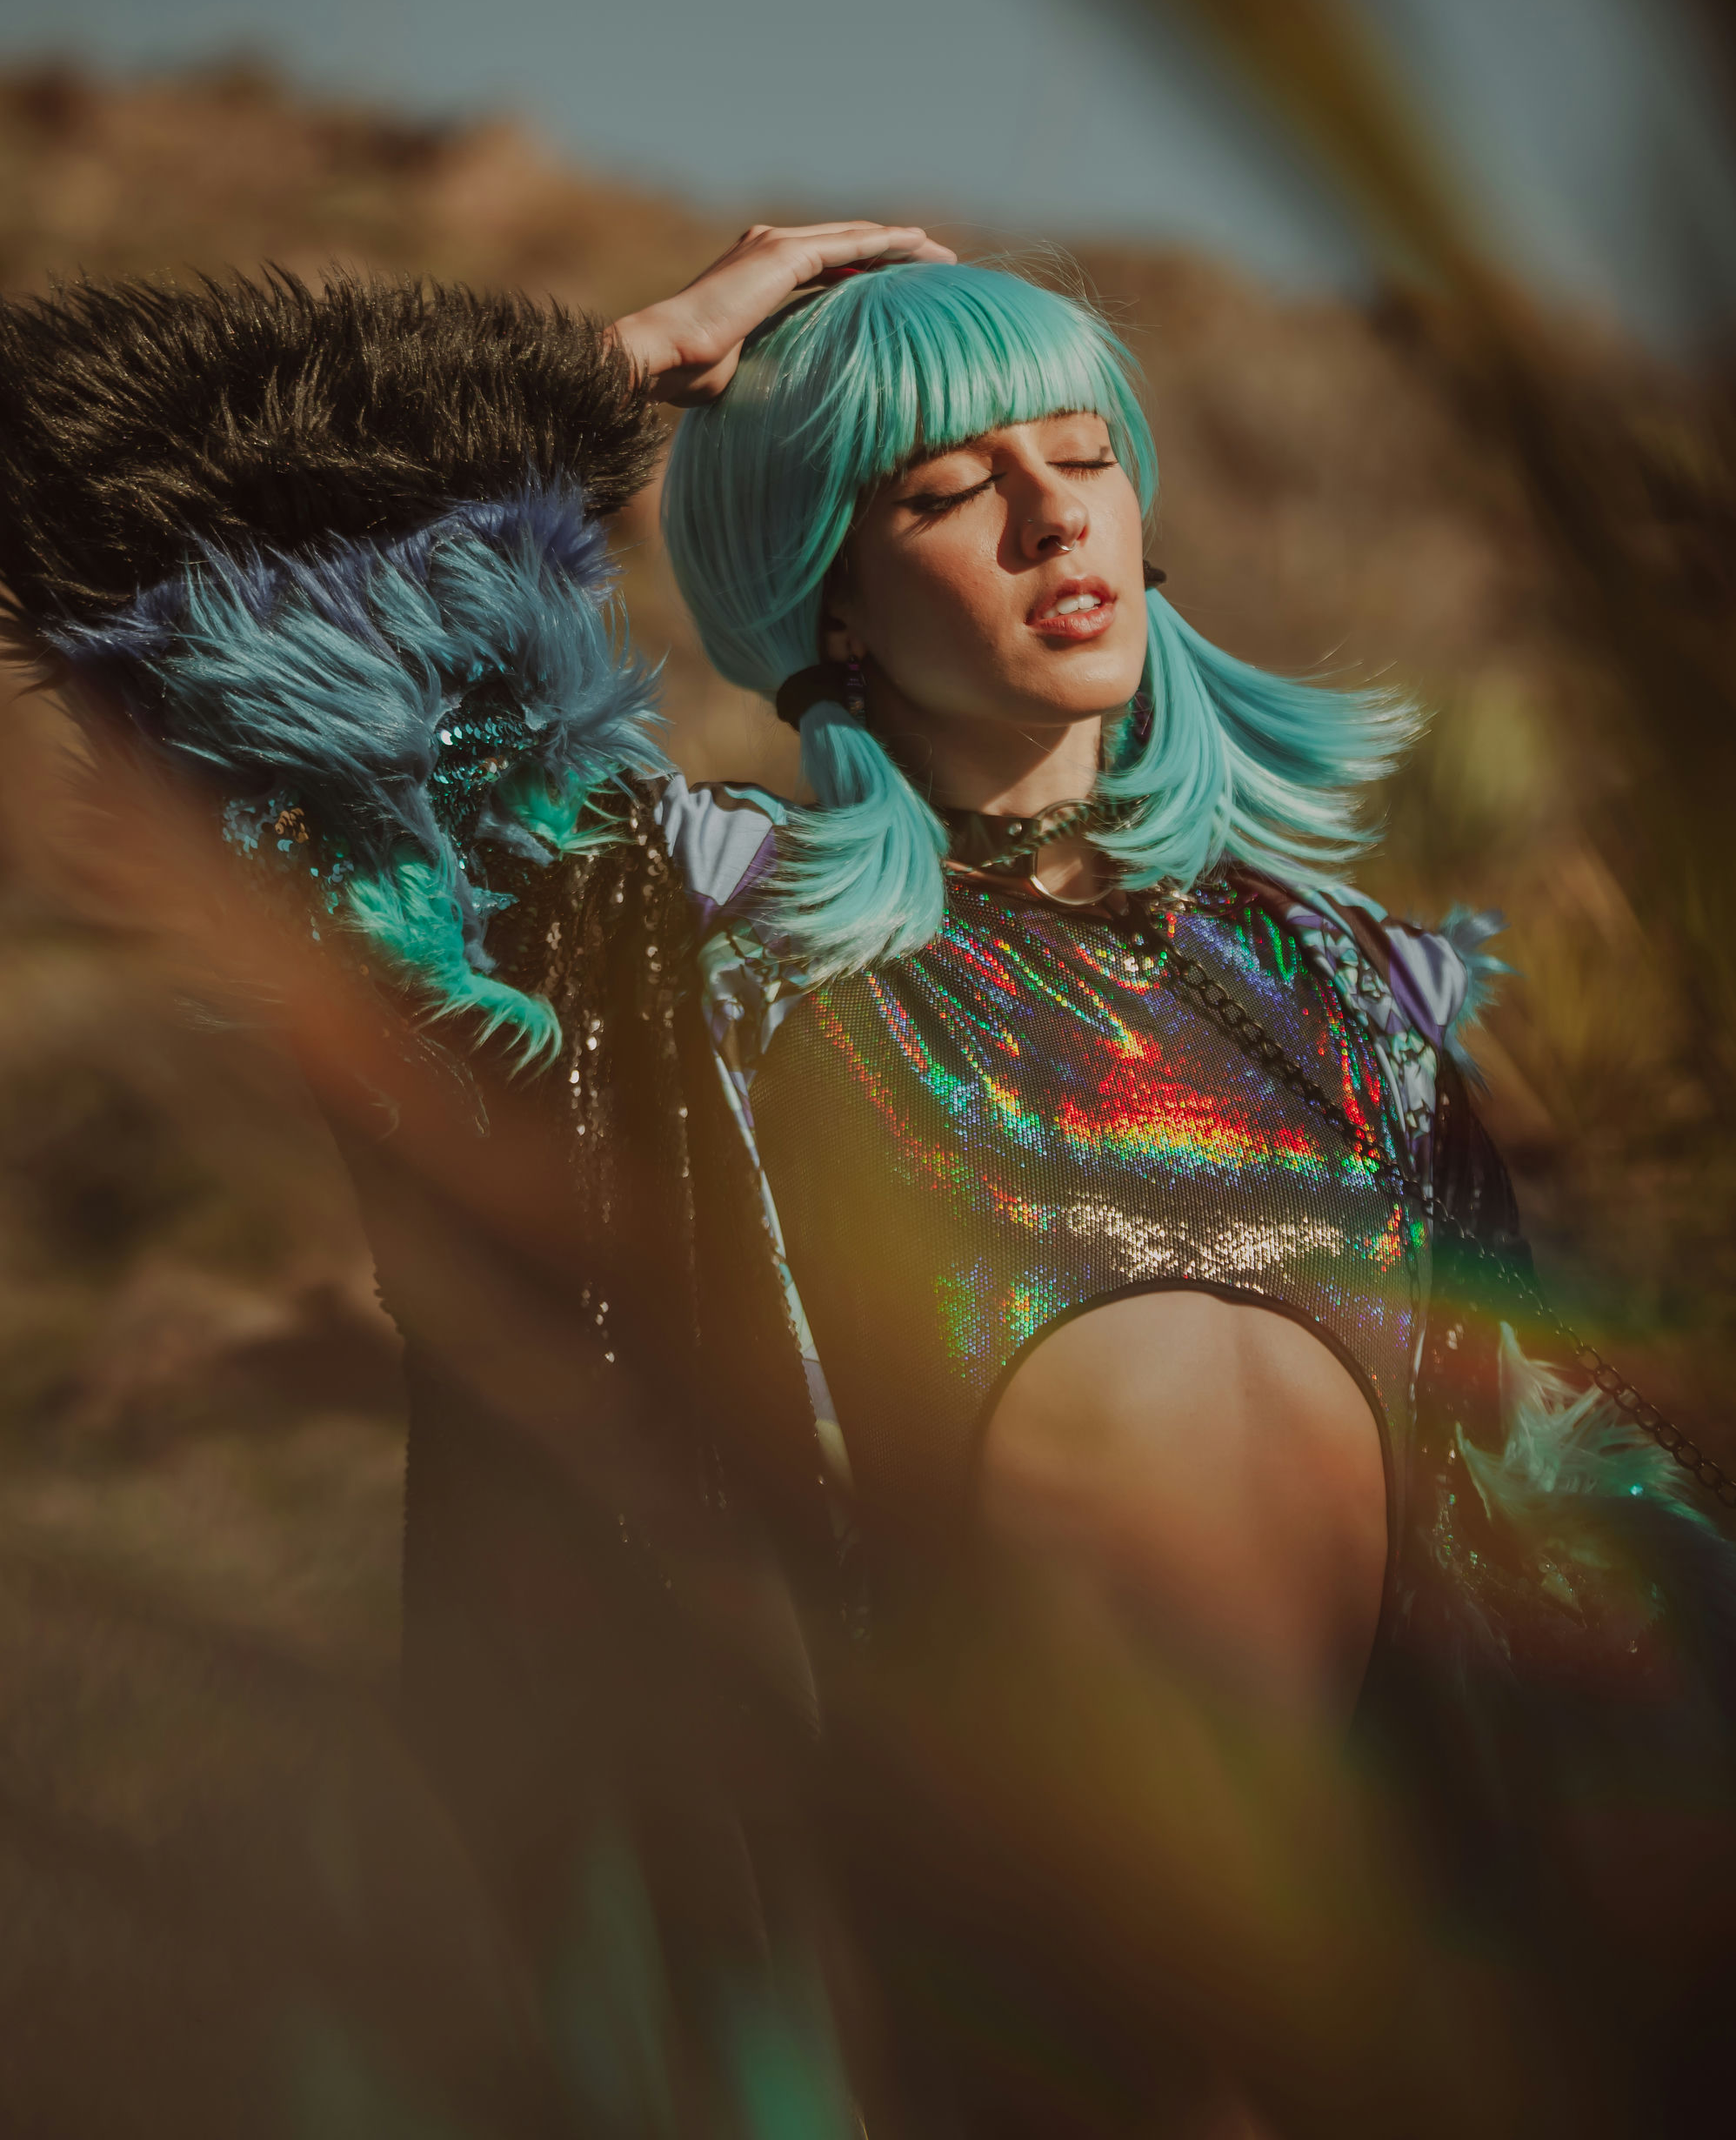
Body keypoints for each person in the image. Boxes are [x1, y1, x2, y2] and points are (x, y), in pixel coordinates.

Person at [2, 225, 1732, 2120]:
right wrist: (623, 369)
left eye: (1083, 458)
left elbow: (1565, 1501)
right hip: (932, 1983)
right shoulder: (689, 942)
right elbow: (169, 563)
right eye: (945, 490)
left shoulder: (1348, 990)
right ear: (827, 597)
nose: (1050, 516)